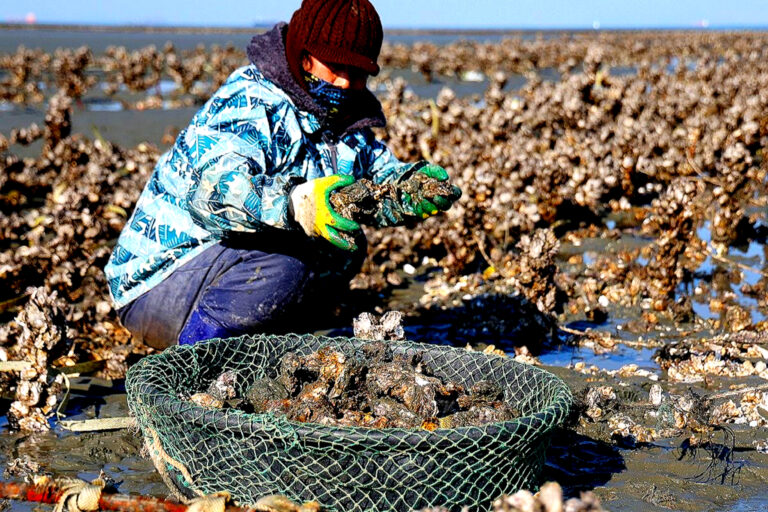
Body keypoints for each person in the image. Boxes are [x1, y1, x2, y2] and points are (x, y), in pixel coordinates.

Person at [104, 0, 461, 349]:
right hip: (156, 285)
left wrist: (406, 189)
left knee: (345, 246)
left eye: (358, 72)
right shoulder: (249, 101)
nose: (345, 82)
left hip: (218, 271)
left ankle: (261, 340)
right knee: (288, 264)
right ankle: (196, 357)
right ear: (303, 55)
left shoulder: (340, 116)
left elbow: (375, 180)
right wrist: (300, 203)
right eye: (335, 66)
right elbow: (211, 194)